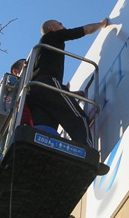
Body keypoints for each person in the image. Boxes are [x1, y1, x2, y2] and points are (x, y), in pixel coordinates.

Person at [27, 18, 109, 146]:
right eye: (60, 24)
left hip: (36, 92)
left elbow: (53, 96)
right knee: (79, 120)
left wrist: (70, 93)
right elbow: (84, 30)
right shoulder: (52, 36)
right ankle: (85, 153)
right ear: (51, 28)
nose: (63, 27)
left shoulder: (40, 52)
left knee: (46, 131)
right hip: (49, 84)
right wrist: (102, 24)